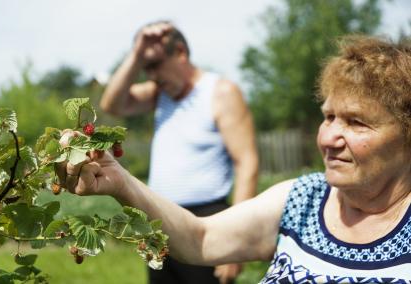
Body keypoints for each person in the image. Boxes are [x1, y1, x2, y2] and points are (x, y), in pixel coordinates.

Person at [57, 35, 411, 282]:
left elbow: (246, 161)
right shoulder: (304, 199)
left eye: (356, 122)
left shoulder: (219, 91)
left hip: (210, 203)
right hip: (174, 222)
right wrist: (120, 181)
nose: (329, 137)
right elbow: (202, 238)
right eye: (328, 116)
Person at [99, 21, 259, 284]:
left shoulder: (220, 92)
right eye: (145, 67)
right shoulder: (160, 94)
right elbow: (112, 103)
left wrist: (236, 242)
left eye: (155, 64)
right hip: (160, 220)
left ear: (181, 53)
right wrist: (137, 53)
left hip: (207, 223)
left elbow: (247, 163)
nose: (151, 75)